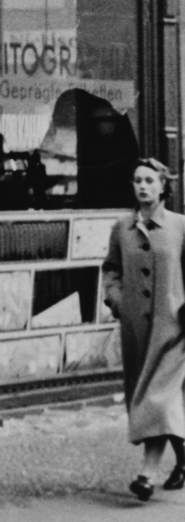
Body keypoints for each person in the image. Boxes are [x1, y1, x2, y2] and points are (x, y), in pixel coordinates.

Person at [103, 158, 185, 501]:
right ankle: (183, 457)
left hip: (174, 329)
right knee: (154, 400)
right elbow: (111, 271)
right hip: (136, 331)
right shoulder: (122, 229)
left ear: (163, 186)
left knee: (157, 399)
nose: (142, 186)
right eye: (137, 180)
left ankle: (146, 475)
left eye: (150, 180)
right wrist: (118, 302)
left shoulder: (181, 226)